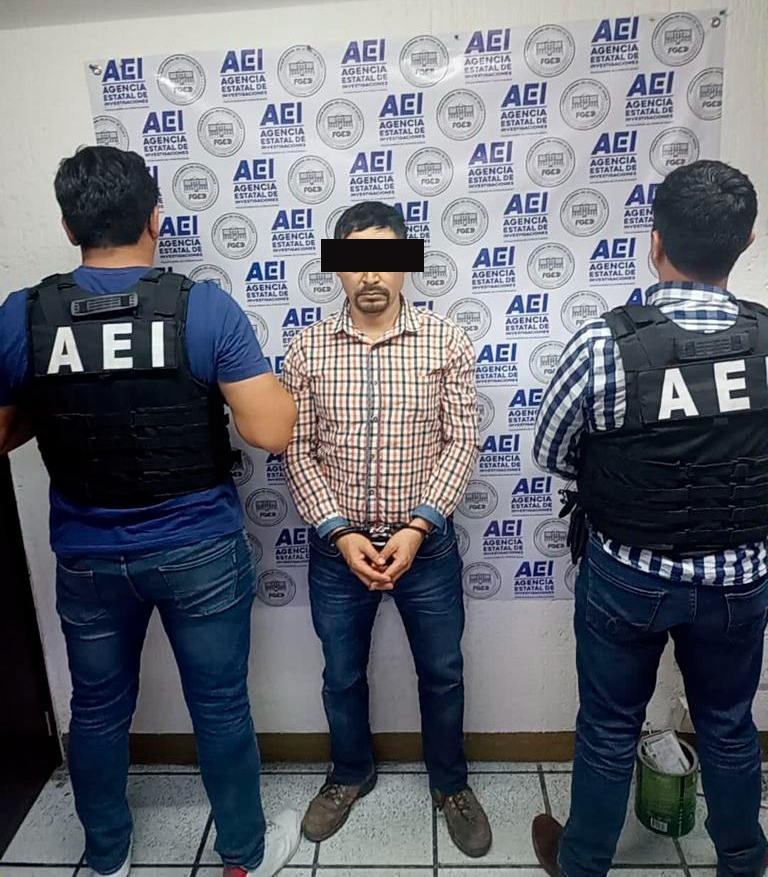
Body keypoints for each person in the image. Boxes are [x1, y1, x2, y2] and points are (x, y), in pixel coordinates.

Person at [0, 146, 301, 877]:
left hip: (88, 555)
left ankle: (107, 857)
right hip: (198, 549)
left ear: (69, 227)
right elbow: (272, 432)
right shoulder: (202, 307)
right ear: (155, 220)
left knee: (97, 710)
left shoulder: (23, 314)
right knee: (220, 706)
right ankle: (244, 855)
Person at [531, 160, 768, 877]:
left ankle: (582, 865)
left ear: (654, 241)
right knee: (728, 725)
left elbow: (551, 451)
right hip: (739, 579)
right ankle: (744, 862)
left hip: (628, 574)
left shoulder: (604, 342)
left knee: (608, 727)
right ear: (746, 241)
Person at [281, 201, 492, 857]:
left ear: (406, 263)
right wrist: (339, 532)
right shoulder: (307, 348)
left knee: (443, 672)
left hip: (424, 547)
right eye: (355, 261)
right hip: (337, 549)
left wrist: (420, 525)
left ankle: (450, 783)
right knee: (341, 674)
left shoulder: (446, 341)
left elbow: (462, 441)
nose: (370, 274)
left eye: (385, 258)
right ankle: (350, 772)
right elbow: (298, 449)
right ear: (337, 268)